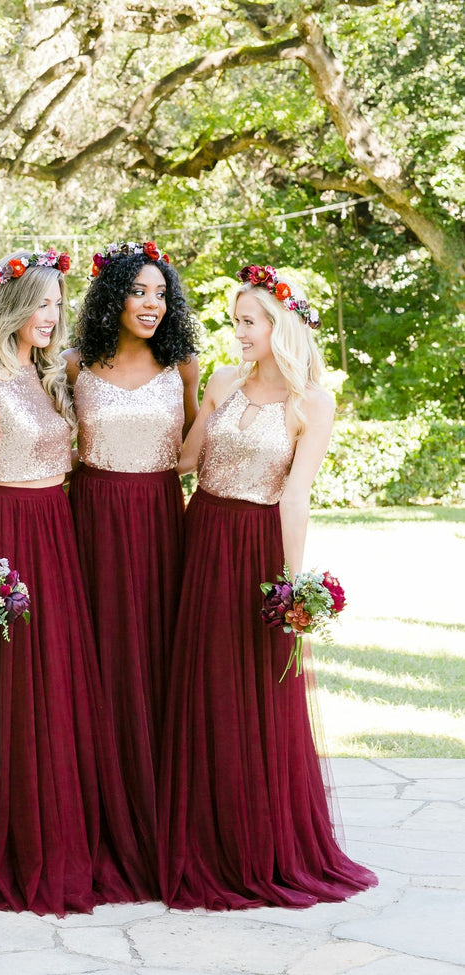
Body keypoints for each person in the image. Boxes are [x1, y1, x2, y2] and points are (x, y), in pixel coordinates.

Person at [0, 248, 150, 914]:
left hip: (59, 535)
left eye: (58, 304)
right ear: (13, 304)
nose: (53, 316)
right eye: (43, 303)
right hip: (10, 544)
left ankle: (62, 833)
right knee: (12, 694)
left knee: (56, 691)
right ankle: (12, 844)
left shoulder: (45, 374)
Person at [158, 263, 378, 910]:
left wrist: (289, 588)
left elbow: (296, 497)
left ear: (278, 324)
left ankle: (258, 841)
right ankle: (196, 836)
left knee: (250, 690)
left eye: (247, 322)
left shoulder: (313, 401)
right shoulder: (225, 380)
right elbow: (188, 461)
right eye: (235, 322)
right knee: (200, 686)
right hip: (202, 539)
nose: (239, 333)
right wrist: (208, 404)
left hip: (256, 550)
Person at [64, 240, 199, 895]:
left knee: (156, 660)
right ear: (112, 295)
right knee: (98, 662)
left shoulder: (185, 366)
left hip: (159, 522)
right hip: (89, 522)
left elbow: (208, 445)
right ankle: (94, 816)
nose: (152, 303)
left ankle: (159, 814)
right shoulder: (75, 365)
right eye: (139, 291)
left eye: (161, 294)